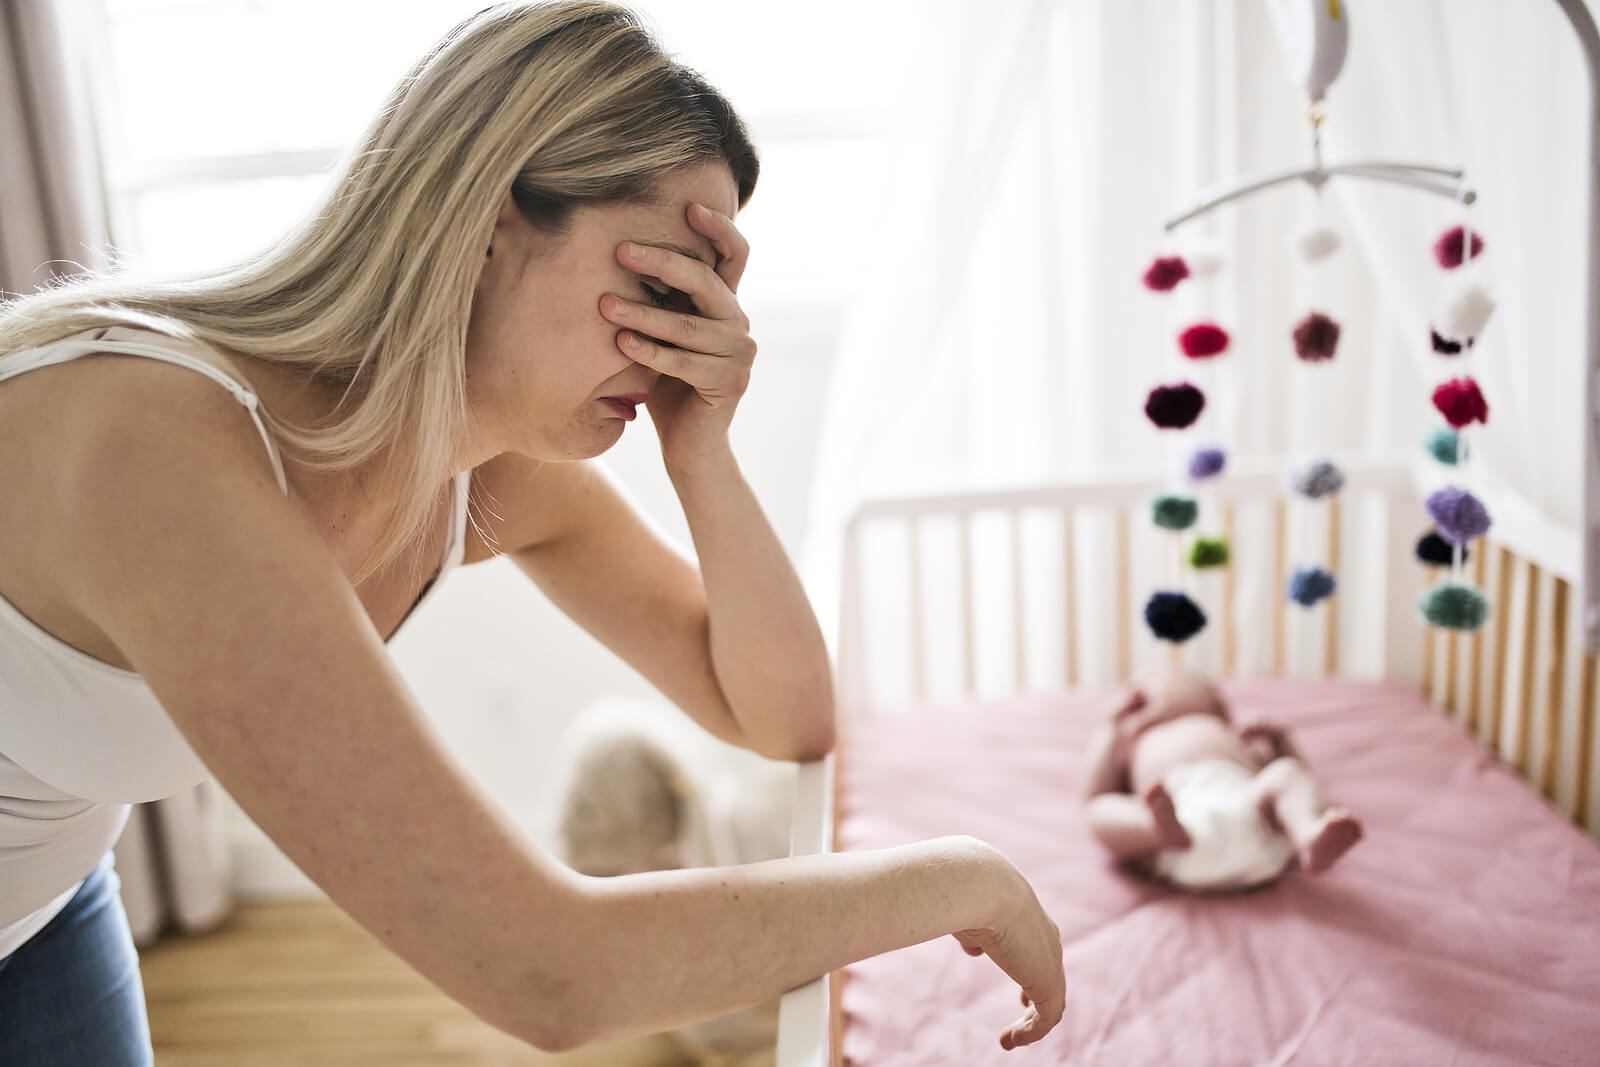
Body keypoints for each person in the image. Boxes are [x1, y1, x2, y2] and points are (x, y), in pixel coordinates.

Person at [0, 3, 1064, 1061]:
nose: (681, 340)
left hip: (47, 901)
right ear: (486, 223)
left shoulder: (476, 468)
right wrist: (960, 879)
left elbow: (783, 716)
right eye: (658, 285)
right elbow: (548, 971)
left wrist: (700, 450)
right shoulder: (159, 446)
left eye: (701, 303)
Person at [1084, 672, 1364, 892]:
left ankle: (1307, 833)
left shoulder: (1229, 732)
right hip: (1175, 837)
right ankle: (1155, 829)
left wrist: (1281, 741)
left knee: (1286, 773)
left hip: (1254, 816)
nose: (1140, 695)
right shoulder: (1133, 744)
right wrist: (1110, 727)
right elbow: (1096, 790)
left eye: (1159, 685)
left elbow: (1301, 776)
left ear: (1212, 702)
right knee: (1100, 809)